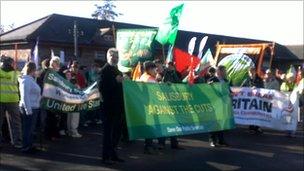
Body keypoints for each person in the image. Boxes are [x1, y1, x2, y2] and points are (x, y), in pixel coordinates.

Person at [99, 48, 125, 164]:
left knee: (116, 133)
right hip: (108, 107)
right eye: (112, 56)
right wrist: (116, 81)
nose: (115, 58)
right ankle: (106, 157)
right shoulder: (104, 71)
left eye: (117, 56)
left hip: (118, 107)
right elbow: (102, 89)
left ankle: (113, 154)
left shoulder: (118, 71)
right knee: (108, 133)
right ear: (107, 57)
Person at [158, 62, 184, 150]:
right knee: (165, 122)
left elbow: (179, 83)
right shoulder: (163, 73)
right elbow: (160, 83)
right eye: (169, 65)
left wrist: (174, 73)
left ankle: (174, 143)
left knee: (174, 123)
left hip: (174, 101)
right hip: (165, 101)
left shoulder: (177, 74)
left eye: (172, 66)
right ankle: (161, 143)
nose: (170, 67)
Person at [18, 62, 41, 153]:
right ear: (33, 70)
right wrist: (28, 110)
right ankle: (26, 146)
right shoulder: (26, 80)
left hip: (34, 106)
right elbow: (24, 96)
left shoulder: (31, 79)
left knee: (31, 128)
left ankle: (29, 145)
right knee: (27, 128)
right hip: (29, 108)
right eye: (36, 70)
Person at [0, 56, 22, 148]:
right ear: (11, 63)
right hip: (13, 100)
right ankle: (17, 142)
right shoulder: (16, 73)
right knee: (16, 122)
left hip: (1, 100)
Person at [138, 61, 160, 154]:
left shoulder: (143, 76)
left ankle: (149, 144)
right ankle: (148, 146)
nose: (156, 70)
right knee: (151, 126)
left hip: (145, 105)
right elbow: (157, 91)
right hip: (150, 105)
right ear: (150, 69)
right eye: (154, 68)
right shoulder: (150, 79)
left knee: (149, 125)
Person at [207, 65, 230, 147]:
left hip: (223, 105)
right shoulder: (212, 80)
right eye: (224, 71)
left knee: (221, 122)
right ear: (219, 71)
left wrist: (231, 93)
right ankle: (212, 140)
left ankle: (221, 140)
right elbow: (206, 89)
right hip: (215, 105)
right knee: (214, 122)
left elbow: (228, 90)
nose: (225, 72)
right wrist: (208, 85)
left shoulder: (225, 80)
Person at [241, 67, 264, 134]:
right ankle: (251, 128)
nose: (251, 73)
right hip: (249, 100)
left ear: (255, 72)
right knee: (251, 113)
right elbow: (242, 88)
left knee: (257, 113)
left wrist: (257, 88)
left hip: (257, 99)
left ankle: (257, 127)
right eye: (250, 72)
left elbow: (263, 88)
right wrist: (249, 89)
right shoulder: (246, 80)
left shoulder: (259, 80)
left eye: (252, 72)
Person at [44, 56, 61, 141]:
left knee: (54, 117)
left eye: (58, 63)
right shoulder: (48, 72)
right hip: (48, 97)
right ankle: (50, 135)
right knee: (50, 117)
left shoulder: (56, 73)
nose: (57, 64)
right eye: (56, 62)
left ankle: (54, 133)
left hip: (55, 97)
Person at [64, 69, 82, 138]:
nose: (68, 76)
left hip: (73, 101)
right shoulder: (65, 82)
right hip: (70, 102)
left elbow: (79, 89)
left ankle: (71, 131)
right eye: (67, 75)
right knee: (72, 117)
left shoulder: (73, 81)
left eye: (69, 74)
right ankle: (73, 132)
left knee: (72, 116)